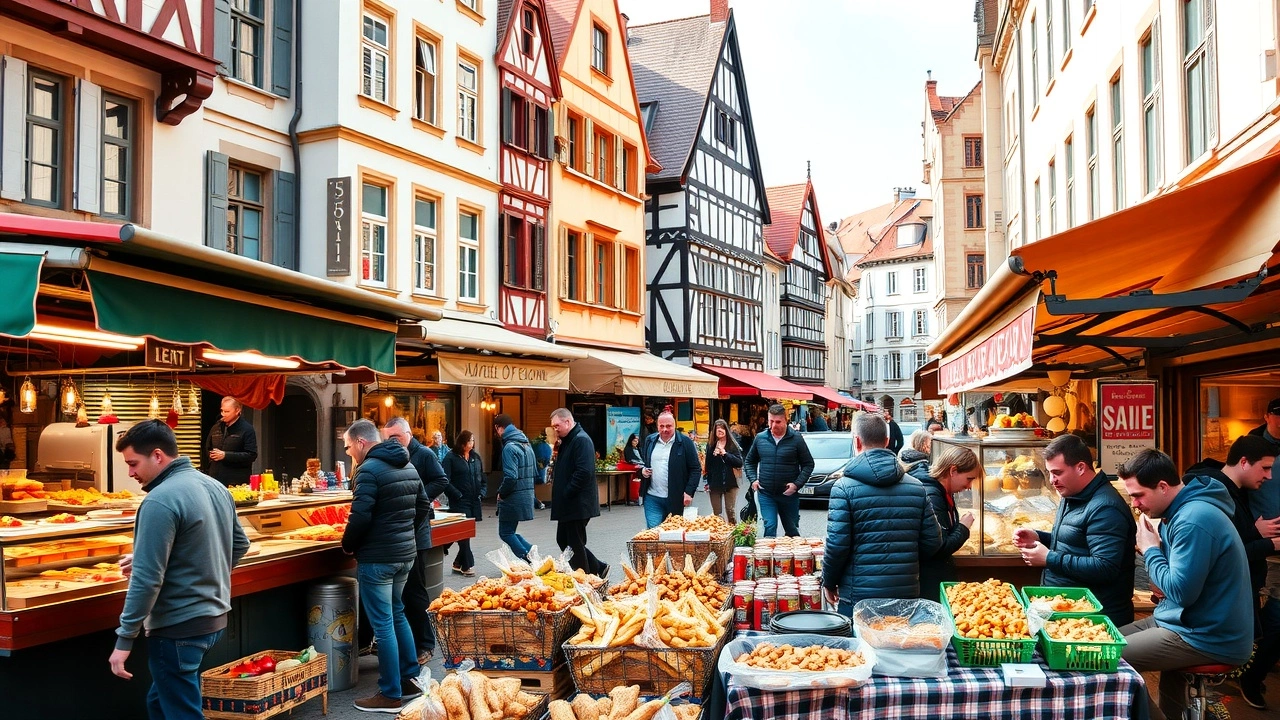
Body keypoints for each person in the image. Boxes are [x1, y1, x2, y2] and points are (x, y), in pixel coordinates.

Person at [108, 420, 249, 719]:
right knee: (160, 704)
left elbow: (147, 579)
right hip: (213, 620)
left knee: (181, 712)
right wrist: (194, 569)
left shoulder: (159, 500)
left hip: (176, 627)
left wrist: (124, 639)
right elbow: (239, 544)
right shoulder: (214, 486)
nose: (131, 473)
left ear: (157, 455)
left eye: (133, 463)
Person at [1116, 449, 1253, 720]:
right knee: (1102, 643)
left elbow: (1180, 593)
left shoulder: (1193, 519)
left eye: (1138, 495)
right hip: (1181, 621)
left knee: (1104, 660)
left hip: (1207, 635)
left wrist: (1150, 549)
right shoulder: (1182, 511)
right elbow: (1176, 586)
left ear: (1163, 487)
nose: (1134, 504)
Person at [341, 419, 431, 713]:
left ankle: (390, 693)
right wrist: (404, 531)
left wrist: (348, 544)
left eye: (348, 446)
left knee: (384, 625)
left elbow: (360, 516)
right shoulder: (407, 464)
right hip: (405, 554)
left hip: (378, 558)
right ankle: (409, 680)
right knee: (397, 615)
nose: (348, 452)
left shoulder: (367, 470)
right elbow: (422, 507)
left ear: (361, 443)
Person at [1187, 435, 1280, 709]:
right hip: (1217, 614)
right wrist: (1267, 542)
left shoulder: (1233, 492)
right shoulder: (1216, 494)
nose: (1270, 476)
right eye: (1264, 468)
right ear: (1243, 462)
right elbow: (1223, 557)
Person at [822, 413, 942, 615]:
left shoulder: (843, 488)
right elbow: (933, 543)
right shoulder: (917, 487)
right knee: (898, 645)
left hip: (858, 597)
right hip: (906, 594)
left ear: (857, 441)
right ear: (887, 441)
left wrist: (829, 581)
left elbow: (837, 546)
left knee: (861, 645)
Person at [1012, 434, 1136, 627]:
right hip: (1066, 612)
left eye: (1057, 473)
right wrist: (1040, 537)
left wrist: (1049, 558)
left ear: (1080, 468)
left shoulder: (1106, 508)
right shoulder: (1072, 494)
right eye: (1050, 473)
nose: (1052, 480)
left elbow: (1105, 567)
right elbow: (1077, 542)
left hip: (1091, 620)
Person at [382, 417, 449, 665]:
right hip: (400, 529)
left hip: (417, 530)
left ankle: (426, 643)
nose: (391, 442)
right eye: (387, 438)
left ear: (408, 434)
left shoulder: (424, 454)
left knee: (415, 588)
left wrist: (419, 498)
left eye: (396, 437)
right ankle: (407, 641)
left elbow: (442, 479)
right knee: (403, 591)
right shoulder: (390, 455)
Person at [549, 408, 608, 578]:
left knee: (574, 543)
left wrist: (567, 492)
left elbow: (584, 472)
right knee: (564, 540)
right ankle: (598, 567)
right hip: (569, 503)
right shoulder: (569, 439)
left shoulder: (581, 440)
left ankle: (585, 577)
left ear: (567, 422)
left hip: (577, 503)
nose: (555, 429)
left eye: (557, 425)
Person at [742, 404, 815, 538]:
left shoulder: (796, 439)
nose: (773, 425)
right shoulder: (760, 438)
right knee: (770, 526)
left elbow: (808, 464)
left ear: (785, 420)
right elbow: (749, 461)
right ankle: (769, 558)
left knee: (792, 530)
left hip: (788, 495)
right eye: (771, 421)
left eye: (778, 422)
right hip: (766, 493)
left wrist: (796, 484)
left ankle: (790, 557)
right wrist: (753, 479)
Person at [916, 445, 980, 596]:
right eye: (969, 479)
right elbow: (940, 548)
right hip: (929, 581)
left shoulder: (942, 492)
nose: (969, 486)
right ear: (953, 471)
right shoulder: (933, 497)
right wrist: (963, 528)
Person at [639, 411, 702, 528]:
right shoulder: (650, 440)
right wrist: (643, 470)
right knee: (653, 532)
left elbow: (695, 469)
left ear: (674, 425)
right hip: (653, 497)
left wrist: (689, 492)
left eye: (668, 426)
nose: (664, 429)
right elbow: (643, 462)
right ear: (657, 426)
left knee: (674, 534)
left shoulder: (685, 442)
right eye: (661, 426)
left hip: (676, 498)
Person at [493, 414, 536, 562]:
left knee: (505, 532)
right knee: (510, 532)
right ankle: (531, 552)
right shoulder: (526, 444)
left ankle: (529, 558)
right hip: (525, 495)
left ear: (499, 428)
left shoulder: (509, 447)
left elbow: (511, 477)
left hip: (513, 497)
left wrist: (501, 493)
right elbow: (534, 472)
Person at [442, 430, 483, 576]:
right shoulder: (451, 458)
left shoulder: (475, 457)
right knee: (464, 533)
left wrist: (482, 492)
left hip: (473, 500)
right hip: (459, 501)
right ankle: (467, 565)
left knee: (464, 533)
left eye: (473, 440)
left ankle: (456, 561)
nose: (472, 443)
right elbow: (444, 480)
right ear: (463, 442)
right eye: (470, 440)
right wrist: (456, 494)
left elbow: (481, 476)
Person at [204, 397, 258, 486]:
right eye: (222, 411)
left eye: (227, 412)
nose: (223, 414)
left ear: (237, 411)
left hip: (236, 481)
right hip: (215, 479)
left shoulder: (247, 429)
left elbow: (252, 455)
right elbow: (207, 447)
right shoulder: (216, 427)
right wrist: (211, 455)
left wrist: (226, 455)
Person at [704, 419, 743, 525]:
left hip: (730, 483)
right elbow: (708, 466)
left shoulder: (732, 445)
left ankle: (732, 536)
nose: (720, 430)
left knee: (730, 511)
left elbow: (739, 462)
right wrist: (707, 482)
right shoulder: (711, 446)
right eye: (717, 429)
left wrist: (725, 454)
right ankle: (720, 537)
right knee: (717, 514)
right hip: (715, 483)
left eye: (722, 428)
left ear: (726, 430)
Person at [1248, 398, 1280, 520]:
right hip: (1263, 526)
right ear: (1266, 417)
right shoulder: (1250, 447)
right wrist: (1252, 529)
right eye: (1278, 414)